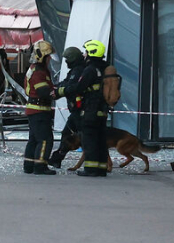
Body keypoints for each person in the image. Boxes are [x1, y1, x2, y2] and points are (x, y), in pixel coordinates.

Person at [61, 40, 111, 177]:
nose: (84, 55)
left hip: (90, 111)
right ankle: (101, 168)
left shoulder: (90, 70)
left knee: (90, 140)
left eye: (86, 52)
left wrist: (62, 91)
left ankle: (91, 169)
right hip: (103, 111)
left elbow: (78, 87)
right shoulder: (106, 68)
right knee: (100, 140)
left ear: (91, 52)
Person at [23, 40, 57, 175]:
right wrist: (59, 91)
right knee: (45, 139)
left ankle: (29, 165)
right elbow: (44, 92)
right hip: (39, 111)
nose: (50, 59)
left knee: (34, 139)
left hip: (34, 110)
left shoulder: (34, 69)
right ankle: (40, 166)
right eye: (48, 56)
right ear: (42, 56)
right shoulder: (39, 72)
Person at [49, 46, 86, 168]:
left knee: (70, 135)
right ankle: (56, 159)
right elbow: (66, 82)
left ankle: (57, 159)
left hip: (80, 111)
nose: (66, 62)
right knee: (69, 135)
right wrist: (55, 87)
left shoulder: (79, 70)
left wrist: (58, 91)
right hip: (78, 111)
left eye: (68, 59)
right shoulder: (76, 69)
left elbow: (71, 87)